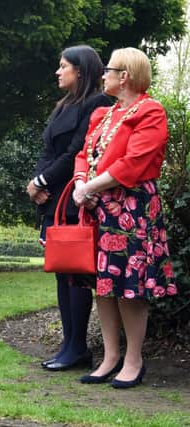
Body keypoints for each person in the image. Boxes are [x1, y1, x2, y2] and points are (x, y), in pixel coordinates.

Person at [73, 47, 177, 388]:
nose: (103, 75)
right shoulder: (102, 115)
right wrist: (79, 183)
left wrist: (90, 187)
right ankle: (110, 357)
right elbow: (83, 154)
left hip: (133, 209)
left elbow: (133, 163)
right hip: (100, 209)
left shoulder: (150, 111)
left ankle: (134, 359)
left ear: (125, 75)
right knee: (103, 285)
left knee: (129, 286)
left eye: (109, 69)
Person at [27, 46, 112, 370]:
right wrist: (37, 183)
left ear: (81, 70)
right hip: (53, 200)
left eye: (64, 67)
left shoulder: (97, 104)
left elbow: (78, 151)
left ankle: (78, 347)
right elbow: (48, 149)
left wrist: (43, 181)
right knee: (61, 274)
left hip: (75, 198)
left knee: (75, 274)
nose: (58, 72)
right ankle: (69, 343)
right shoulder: (64, 105)